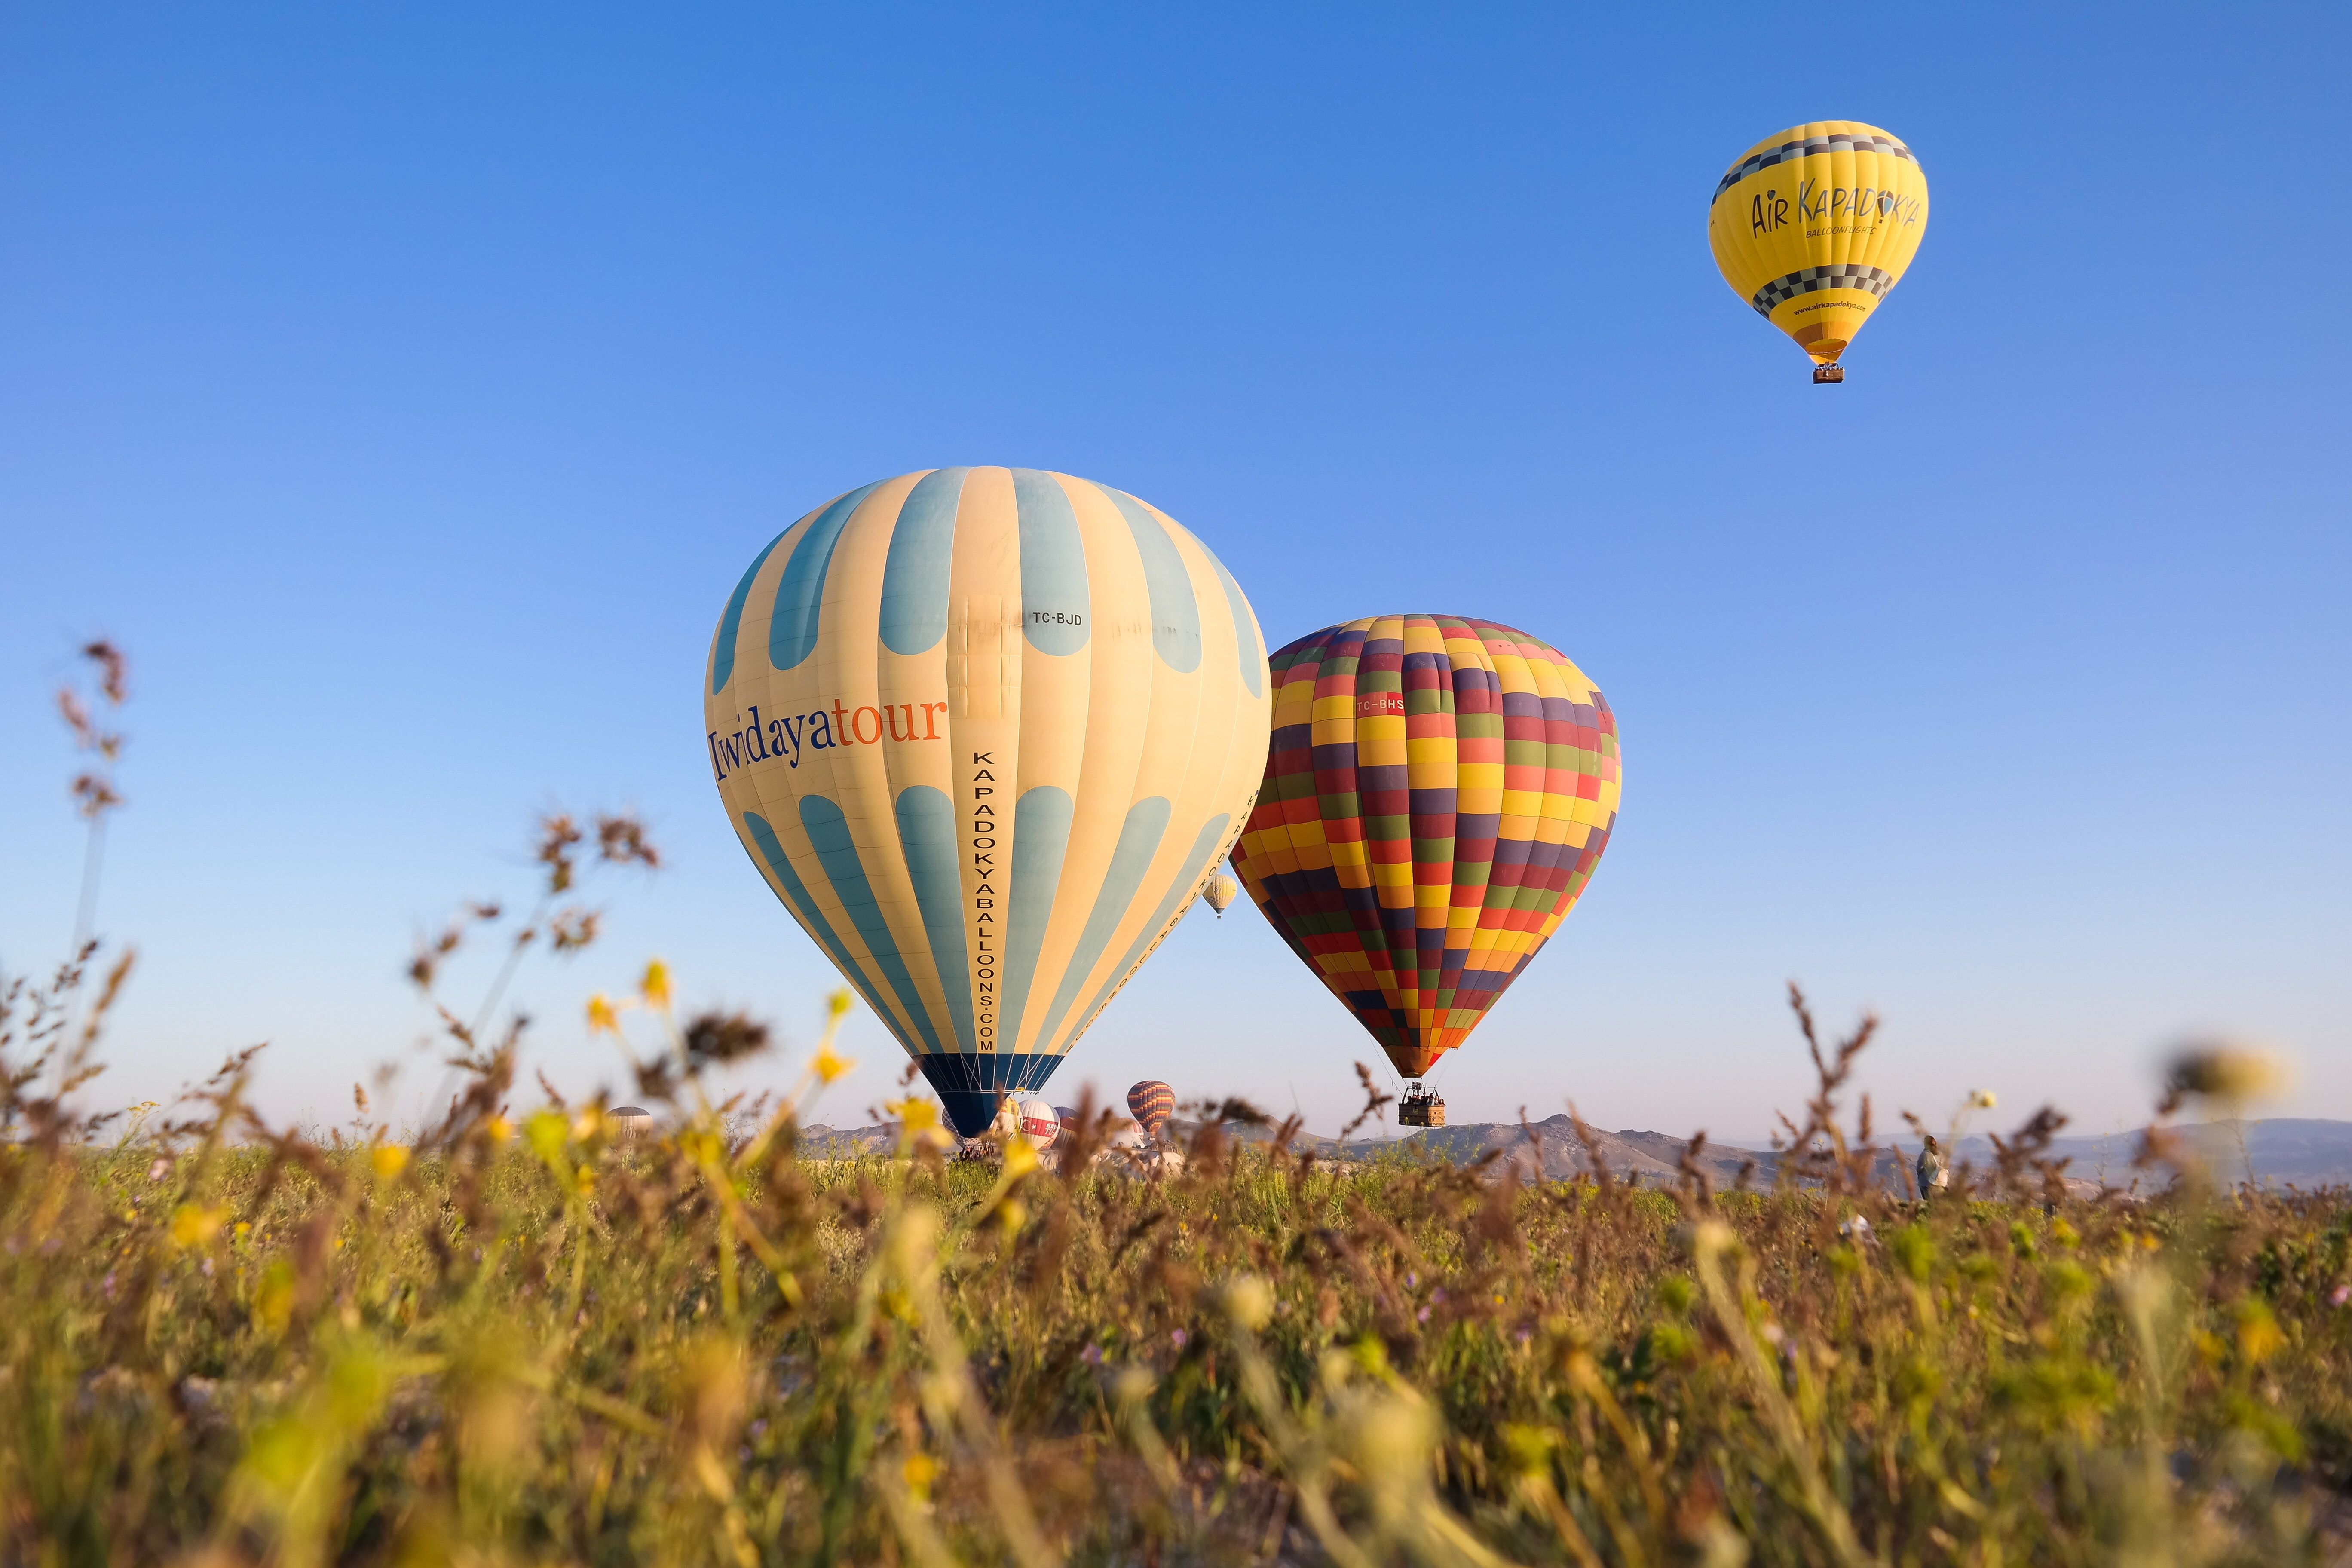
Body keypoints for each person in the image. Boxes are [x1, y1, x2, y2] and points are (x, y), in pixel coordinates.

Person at [1916, 1134, 1950, 1203]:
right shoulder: (1940, 1155)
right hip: (1940, 1184)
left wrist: (1919, 1175)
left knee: (1928, 1203)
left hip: (1926, 1183)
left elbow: (1919, 1168)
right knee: (1938, 1204)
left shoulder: (1925, 1154)